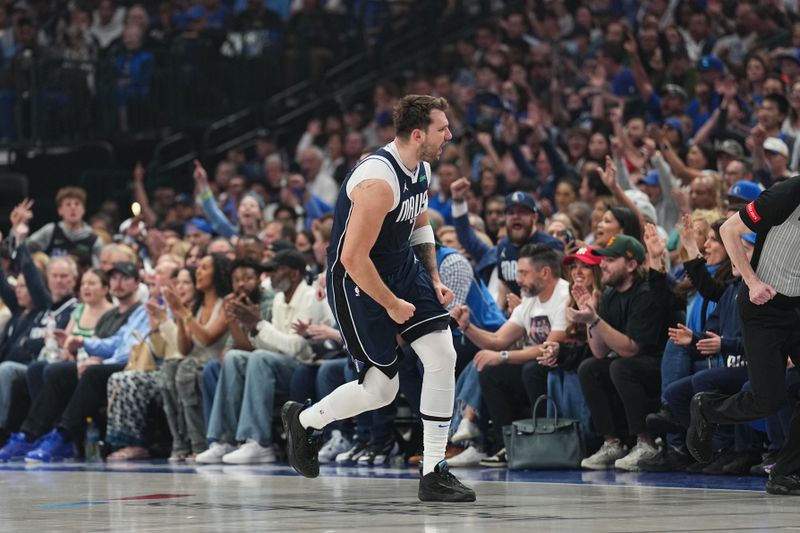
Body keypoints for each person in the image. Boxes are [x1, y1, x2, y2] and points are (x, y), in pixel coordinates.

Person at [281, 95, 475, 502]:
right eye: (443, 128)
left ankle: (434, 471)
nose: (450, 135)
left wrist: (434, 276)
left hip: (401, 267)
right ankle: (305, 420)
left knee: (443, 353)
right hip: (356, 281)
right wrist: (390, 303)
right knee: (381, 389)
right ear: (418, 134)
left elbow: (419, 221)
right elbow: (352, 257)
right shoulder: (378, 181)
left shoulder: (419, 166)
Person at [687, 176, 800, 496]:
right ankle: (708, 408)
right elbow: (728, 230)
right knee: (769, 399)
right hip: (762, 305)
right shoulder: (788, 193)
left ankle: (786, 471)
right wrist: (751, 282)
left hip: (796, 307)